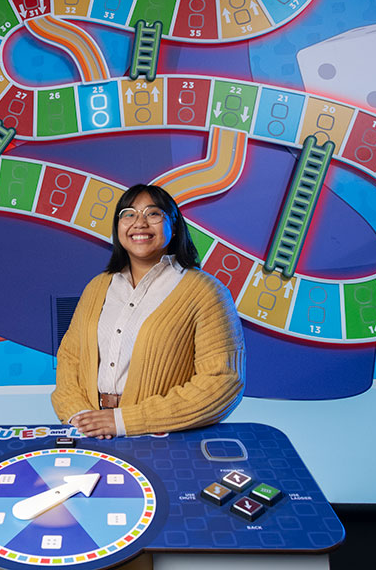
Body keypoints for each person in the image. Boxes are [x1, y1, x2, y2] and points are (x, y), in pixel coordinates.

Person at [50, 184, 245, 438]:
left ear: (173, 226)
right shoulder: (97, 287)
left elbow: (221, 381)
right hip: (89, 433)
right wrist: (80, 417)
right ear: (118, 227)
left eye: (153, 214)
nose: (139, 223)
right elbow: (69, 360)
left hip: (164, 439)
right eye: (128, 214)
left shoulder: (206, 292)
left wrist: (123, 421)